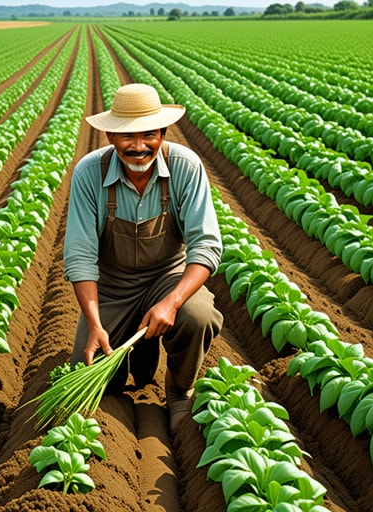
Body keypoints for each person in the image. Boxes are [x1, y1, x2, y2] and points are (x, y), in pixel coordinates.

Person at [63, 83, 223, 434]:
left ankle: (180, 389)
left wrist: (171, 301)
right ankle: (138, 352)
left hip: (167, 276)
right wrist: (94, 325)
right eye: (127, 136)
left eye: (148, 134)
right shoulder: (90, 174)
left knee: (198, 315)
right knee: (91, 377)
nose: (138, 146)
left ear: (163, 132)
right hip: (113, 287)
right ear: (109, 136)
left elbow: (207, 245)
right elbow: (80, 257)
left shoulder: (185, 168)